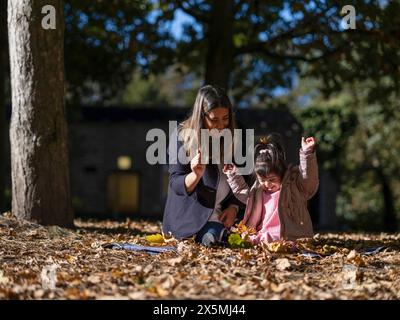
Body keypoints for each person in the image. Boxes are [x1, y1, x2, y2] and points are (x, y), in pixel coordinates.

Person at [162, 85, 243, 246]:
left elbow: (245, 179)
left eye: (225, 118)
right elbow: (175, 184)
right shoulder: (181, 136)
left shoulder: (235, 138)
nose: (221, 125)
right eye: (214, 120)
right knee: (213, 242)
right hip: (187, 219)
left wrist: (234, 207)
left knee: (224, 240)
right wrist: (195, 175)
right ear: (201, 116)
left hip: (219, 219)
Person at [223, 135, 318, 244]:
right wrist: (232, 175)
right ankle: (255, 240)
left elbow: (308, 179)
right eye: (262, 180)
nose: (267, 184)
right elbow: (242, 191)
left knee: (272, 237)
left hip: (289, 235)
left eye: (271, 179)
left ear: (281, 174)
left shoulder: (293, 188)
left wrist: (307, 153)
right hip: (264, 232)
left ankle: (258, 241)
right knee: (248, 236)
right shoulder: (258, 192)